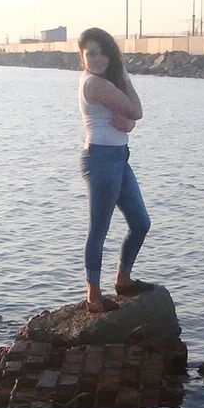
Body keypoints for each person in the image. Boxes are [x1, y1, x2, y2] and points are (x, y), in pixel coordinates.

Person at [77, 27, 152, 314]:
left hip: (119, 156)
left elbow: (128, 121)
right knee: (99, 230)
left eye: (102, 53)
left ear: (109, 53)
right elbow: (136, 111)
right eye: (90, 54)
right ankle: (93, 295)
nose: (96, 59)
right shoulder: (95, 83)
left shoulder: (104, 82)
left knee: (141, 223)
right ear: (82, 57)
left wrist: (129, 122)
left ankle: (123, 279)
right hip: (101, 159)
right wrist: (123, 70)